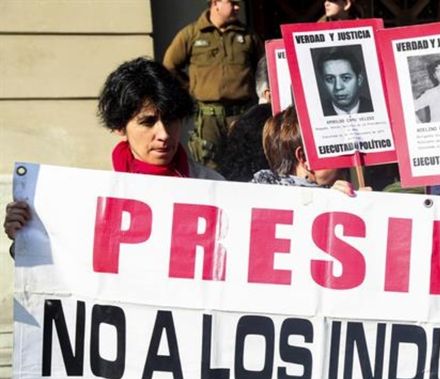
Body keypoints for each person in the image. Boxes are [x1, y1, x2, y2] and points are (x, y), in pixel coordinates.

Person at [4, 58, 222, 252]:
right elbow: (65, 262)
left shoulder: (215, 187)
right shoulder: (92, 192)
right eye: (148, 122)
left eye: (171, 119)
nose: (163, 134)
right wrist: (25, 238)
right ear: (119, 126)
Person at [163, 0, 263, 170]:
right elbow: (169, 65)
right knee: (208, 166)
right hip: (209, 118)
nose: (238, 7)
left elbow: (263, 65)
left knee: (245, 164)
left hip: (241, 115)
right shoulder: (192, 34)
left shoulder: (247, 35)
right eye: (232, 3)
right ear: (215, 3)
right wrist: (190, 87)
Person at [252, 106, 361, 196]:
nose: (345, 155)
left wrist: (368, 206)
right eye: (333, 148)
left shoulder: (252, 197)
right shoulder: (259, 200)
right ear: (304, 158)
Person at [315, 47, 373, 116]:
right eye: (330, 79)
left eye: (345, 78)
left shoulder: (375, 107)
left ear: (359, 80)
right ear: (323, 83)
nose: (338, 87)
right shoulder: (316, 113)